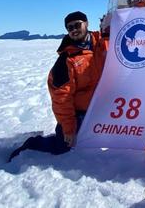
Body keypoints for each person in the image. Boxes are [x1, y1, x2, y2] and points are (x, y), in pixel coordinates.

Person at [8, 11, 105, 161]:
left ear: (87, 24)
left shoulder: (102, 43)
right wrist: (69, 130)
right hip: (81, 113)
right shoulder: (66, 61)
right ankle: (32, 144)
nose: (73, 29)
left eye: (77, 25)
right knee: (63, 146)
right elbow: (62, 98)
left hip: (107, 107)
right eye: (69, 27)